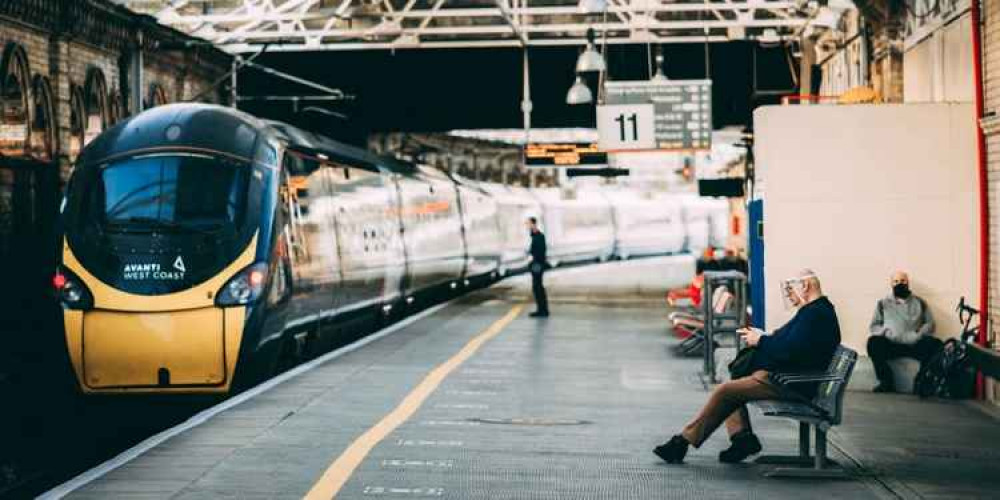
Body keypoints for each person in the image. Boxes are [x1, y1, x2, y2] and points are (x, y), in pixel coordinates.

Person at [653, 269, 841, 464]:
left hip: (793, 383)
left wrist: (761, 341)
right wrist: (764, 337)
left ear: (806, 286)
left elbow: (790, 351)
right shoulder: (814, 311)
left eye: (790, 290)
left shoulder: (815, 314)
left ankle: (682, 443)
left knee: (726, 390)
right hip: (788, 377)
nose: (788, 295)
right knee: (730, 384)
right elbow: (790, 343)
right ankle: (741, 439)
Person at [866, 271, 942, 393]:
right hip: (892, 345)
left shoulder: (920, 302)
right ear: (891, 284)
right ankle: (886, 382)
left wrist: (919, 334)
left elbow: (930, 324)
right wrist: (884, 331)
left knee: (936, 344)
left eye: (902, 281)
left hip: (914, 344)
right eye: (896, 281)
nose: (899, 284)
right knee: (873, 343)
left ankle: (922, 382)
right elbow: (874, 326)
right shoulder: (882, 303)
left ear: (908, 283)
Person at [527, 217, 549, 318]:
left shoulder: (539, 236)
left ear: (533, 224)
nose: (527, 226)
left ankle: (542, 310)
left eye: (528, 224)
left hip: (538, 265)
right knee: (537, 287)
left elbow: (540, 252)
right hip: (536, 264)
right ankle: (542, 309)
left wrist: (534, 262)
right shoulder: (534, 236)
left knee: (537, 287)